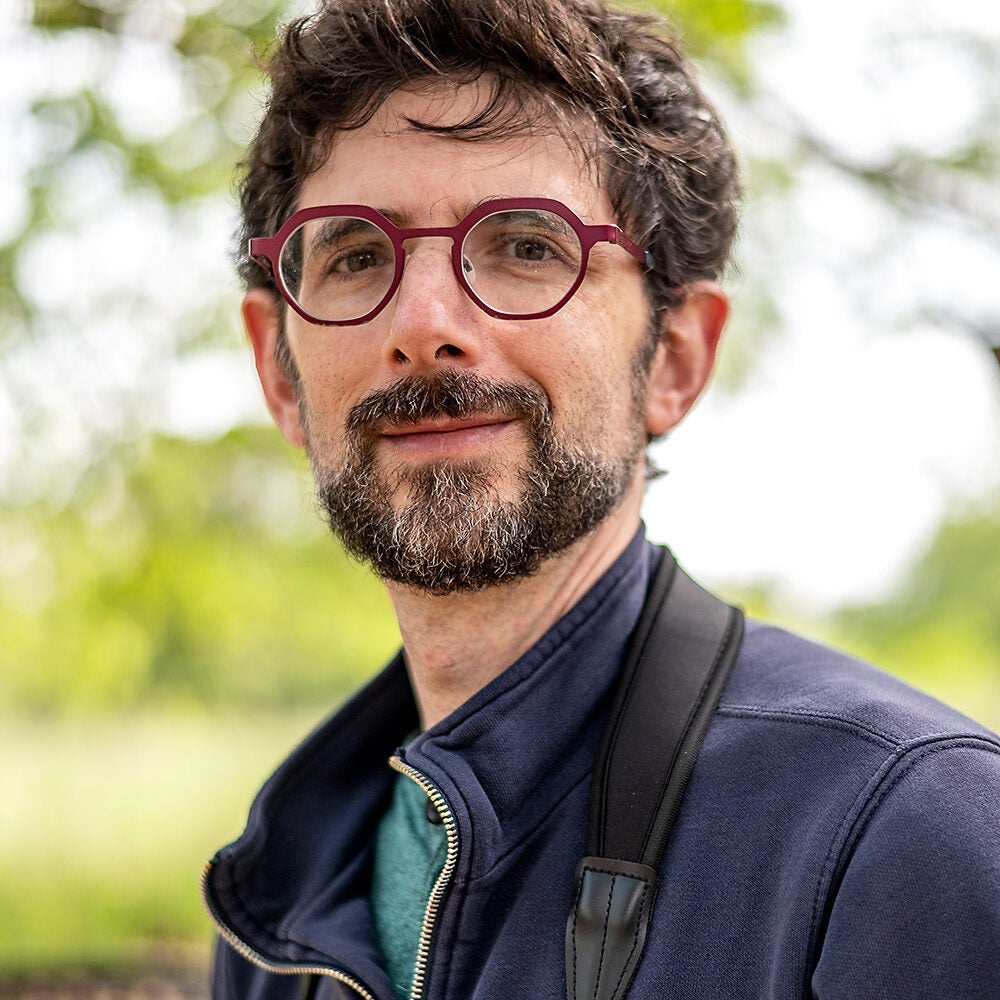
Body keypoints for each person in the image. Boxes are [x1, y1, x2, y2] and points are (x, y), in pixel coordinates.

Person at [201, 0, 1000, 997]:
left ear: (673, 356)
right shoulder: (285, 884)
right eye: (356, 255)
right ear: (279, 375)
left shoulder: (908, 830)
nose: (423, 324)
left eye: (526, 246)